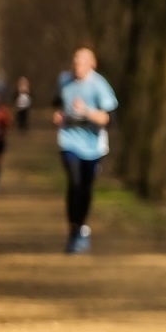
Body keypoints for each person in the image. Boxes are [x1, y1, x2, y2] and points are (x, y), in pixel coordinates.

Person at [53, 47, 118, 254]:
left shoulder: (99, 85)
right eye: (74, 62)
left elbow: (109, 118)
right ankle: (73, 230)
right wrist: (57, 116)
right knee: (74, 182)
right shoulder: (63, 80)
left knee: (86, 188)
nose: (76, 66)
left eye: (81, 62)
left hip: (93, 146)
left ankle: (80, 227)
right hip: (68, 141)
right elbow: (56, 104)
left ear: (92, 64)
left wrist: (87, 112)